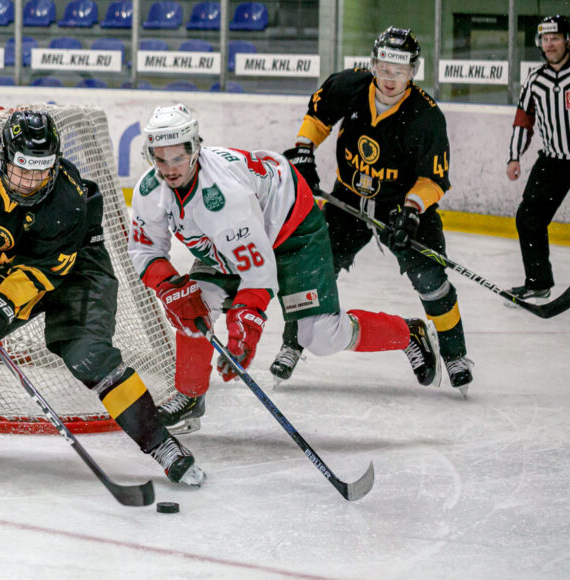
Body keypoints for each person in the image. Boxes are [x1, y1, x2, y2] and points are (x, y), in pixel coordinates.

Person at [0, 110, 206, 486]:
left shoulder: (68, 199)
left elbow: (43, 271)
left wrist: (0, 305)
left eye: (41, 171)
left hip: (77, 270)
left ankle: (161, 444)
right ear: (2, 156)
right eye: (22, 169)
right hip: (9, 267)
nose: (31, 182)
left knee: (87, 355)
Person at [128, 104, 444, 434]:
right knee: (193, 306)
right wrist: (168, 285)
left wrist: (245, 323)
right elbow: (144, 248)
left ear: (195, 149)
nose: (169, 169)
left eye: (177, 157)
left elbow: (257, 272)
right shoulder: (150, 191)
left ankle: (409, 333)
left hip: (291, 231)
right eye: (160, 159)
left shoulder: (224, 196)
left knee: (320, 335)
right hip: (230, 240)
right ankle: (190, 396)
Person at [270, 26, 473, 391]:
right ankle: (292, 343)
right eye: (384, 68)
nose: (390, 78)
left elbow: (433, 178)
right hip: (347, 199)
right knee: (311, 269)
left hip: (402, 208)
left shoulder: (426, 115)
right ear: (373, 64)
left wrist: (412, 210)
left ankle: (454, 353)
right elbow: (318, 118)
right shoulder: (350, 86)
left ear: (413, 71)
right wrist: (303, 150)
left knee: (430, 279)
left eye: (400, 70)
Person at [506, 15, 570, 302]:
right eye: (545, 39)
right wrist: (514, 156)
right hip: (554, 161)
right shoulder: (535, 79)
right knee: (529, 217)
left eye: (555, 38)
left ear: (568, 40)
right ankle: (538, 282)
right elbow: (523, 120)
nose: (550, 44)